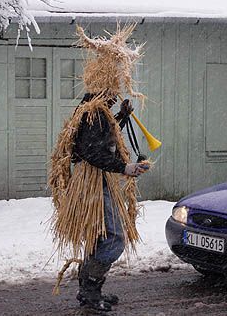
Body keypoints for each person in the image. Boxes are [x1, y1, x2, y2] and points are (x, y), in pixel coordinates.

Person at [72, 94, 149, 311]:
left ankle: (89, 289)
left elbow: (101, 137)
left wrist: (121, 117)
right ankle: (90, 290)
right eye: (113, 92)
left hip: (98, 182)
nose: (116, 96)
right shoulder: (94, 112)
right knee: (114, 239)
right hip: (94, 185)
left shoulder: (95, 110)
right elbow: (91, 151)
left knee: (100, 237)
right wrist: (124, 168)